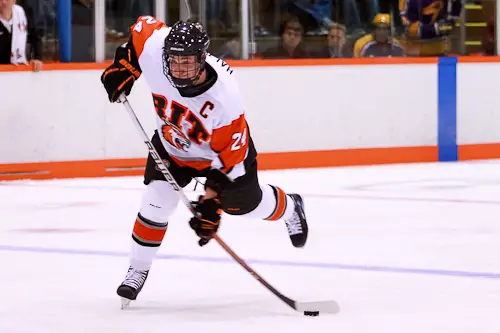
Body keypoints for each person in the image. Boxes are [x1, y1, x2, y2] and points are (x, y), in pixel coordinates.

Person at [100, 17, 309, 307]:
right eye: (174, 61)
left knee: (247, 207)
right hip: (172, 145)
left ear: (203, 58)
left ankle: (290, 207)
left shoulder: (225, 98)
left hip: (221, 159)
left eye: (188, 62)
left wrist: (213, 202)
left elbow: (228, 163)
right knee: (156, 203)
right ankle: (137, 270)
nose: (179, 68)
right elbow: (136, 37)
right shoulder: (156, 47)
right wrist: (124, 67)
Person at [0, 0, 43, 71]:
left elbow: (35, 37)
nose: (3, 2)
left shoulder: (21, 14)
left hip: (19, 70)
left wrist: (37, 58)